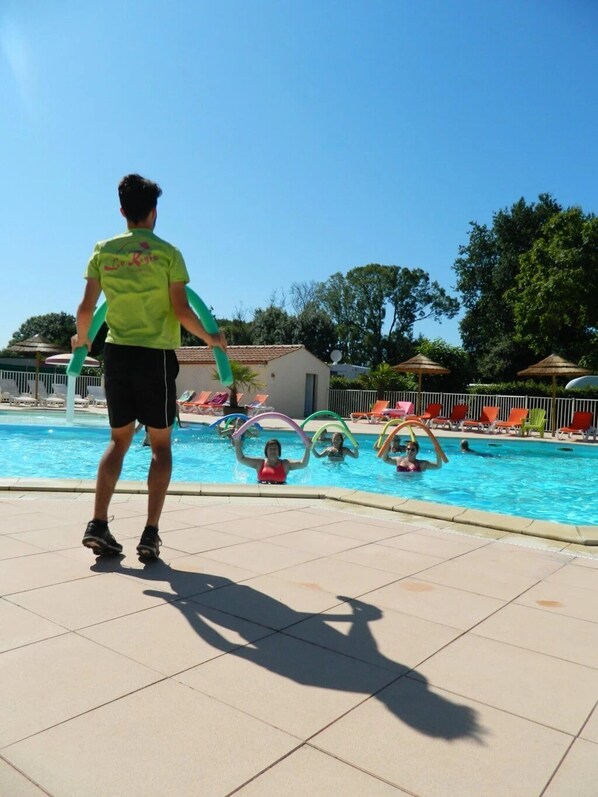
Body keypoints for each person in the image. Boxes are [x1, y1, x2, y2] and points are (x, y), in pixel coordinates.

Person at [72, 174, 226, 559]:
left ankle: (98, 524)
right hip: (154, 356)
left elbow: (87, 309)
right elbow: (181, 309)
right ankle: (150, 533)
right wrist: (212, 340)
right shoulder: (169, 253)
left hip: (117, 354)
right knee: (160, 446)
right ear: (154, 211)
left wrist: (82, 339)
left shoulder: (103, 250)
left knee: (118, 441)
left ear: (122, 211)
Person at [233, 437, 310, 484]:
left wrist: (308, 448)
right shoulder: (259, 463)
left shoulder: (285, 464)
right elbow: (241, 459)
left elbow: (303, 464)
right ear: (266, 451)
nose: (273, 451)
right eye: (270, 449)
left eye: (275, 449)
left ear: (279, 451)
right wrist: (237, 443)